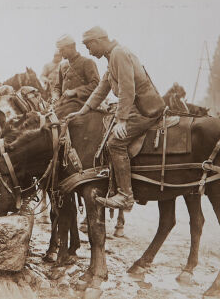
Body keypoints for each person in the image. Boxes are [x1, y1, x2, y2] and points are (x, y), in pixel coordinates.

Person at [67, 26, 165, 211]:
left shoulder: (119, 54)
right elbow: (101, 89)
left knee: (115, 143)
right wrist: (83, 111)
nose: (89, 51)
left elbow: (128, 88)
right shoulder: (113, 57)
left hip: (145, 111)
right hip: (136, 109)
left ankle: (125, 196)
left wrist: (122, 120)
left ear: (97, 41)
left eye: (89, 47)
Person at [51, 34, 100, 104]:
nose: (60, 53)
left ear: (72, 46)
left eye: (62, 50)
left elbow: (96, 85)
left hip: (83, 104)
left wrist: (75, 91)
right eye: (59, 50)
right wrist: (55, 96)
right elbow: (57, 87)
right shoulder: (62, 65)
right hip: (64, 104)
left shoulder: (87, 62)